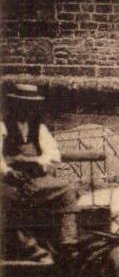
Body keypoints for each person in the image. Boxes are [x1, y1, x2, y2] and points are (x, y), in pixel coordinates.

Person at [1, 82, 79, 260]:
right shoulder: (2, 126)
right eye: (22, 104)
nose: (26, 109)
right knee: (7, 199)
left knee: (67, 190)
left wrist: (35, 161)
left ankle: (68, 242)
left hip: (36, 178)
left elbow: (53, 154)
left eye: (30, 105)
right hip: (10, 180)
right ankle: (30, 248)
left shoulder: (39, 128)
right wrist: (8, 170)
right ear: (14, 104)